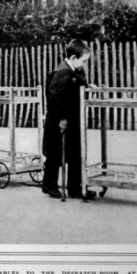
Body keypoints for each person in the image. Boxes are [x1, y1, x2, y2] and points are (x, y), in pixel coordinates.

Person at [42, 39, 92, 199]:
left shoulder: (76, 71)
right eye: (83, 61)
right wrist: (62, 118)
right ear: (72, 58)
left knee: (75, 152)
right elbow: (54, 95)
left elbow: (79, 86)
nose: (84, 65)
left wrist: (90, 88)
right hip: (58, 119)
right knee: (55, 153)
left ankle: (75, 188)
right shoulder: (62, 71)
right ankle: (49, 186)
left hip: (73, 118)